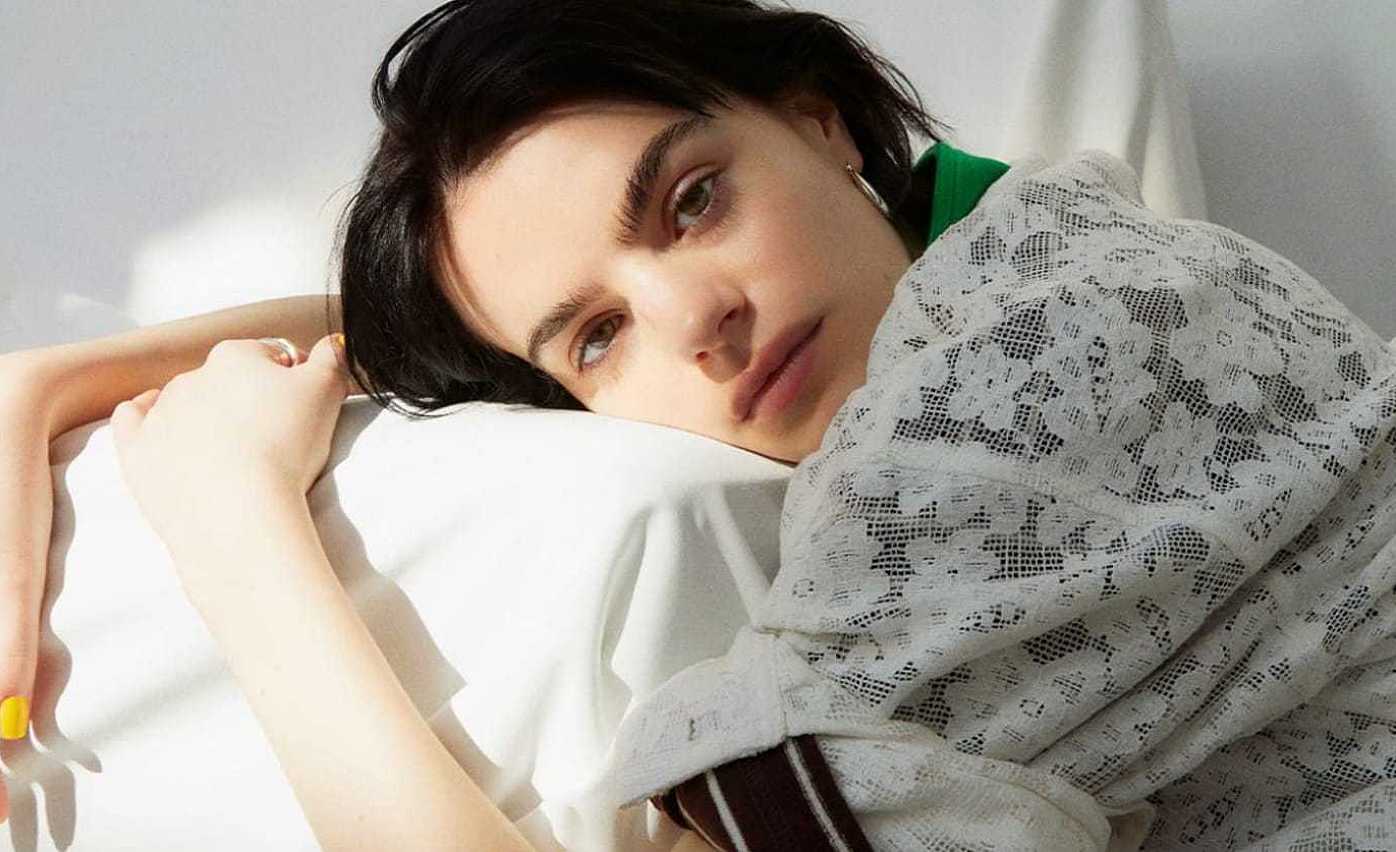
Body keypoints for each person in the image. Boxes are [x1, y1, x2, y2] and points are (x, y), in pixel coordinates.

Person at [2, 2, 1391, 851]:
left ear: (821, 121)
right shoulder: (1035, 253)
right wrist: (55, 381)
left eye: (692, 202)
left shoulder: (1027, 377)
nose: (698, 317)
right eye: (598, 336)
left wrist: (237, 535)